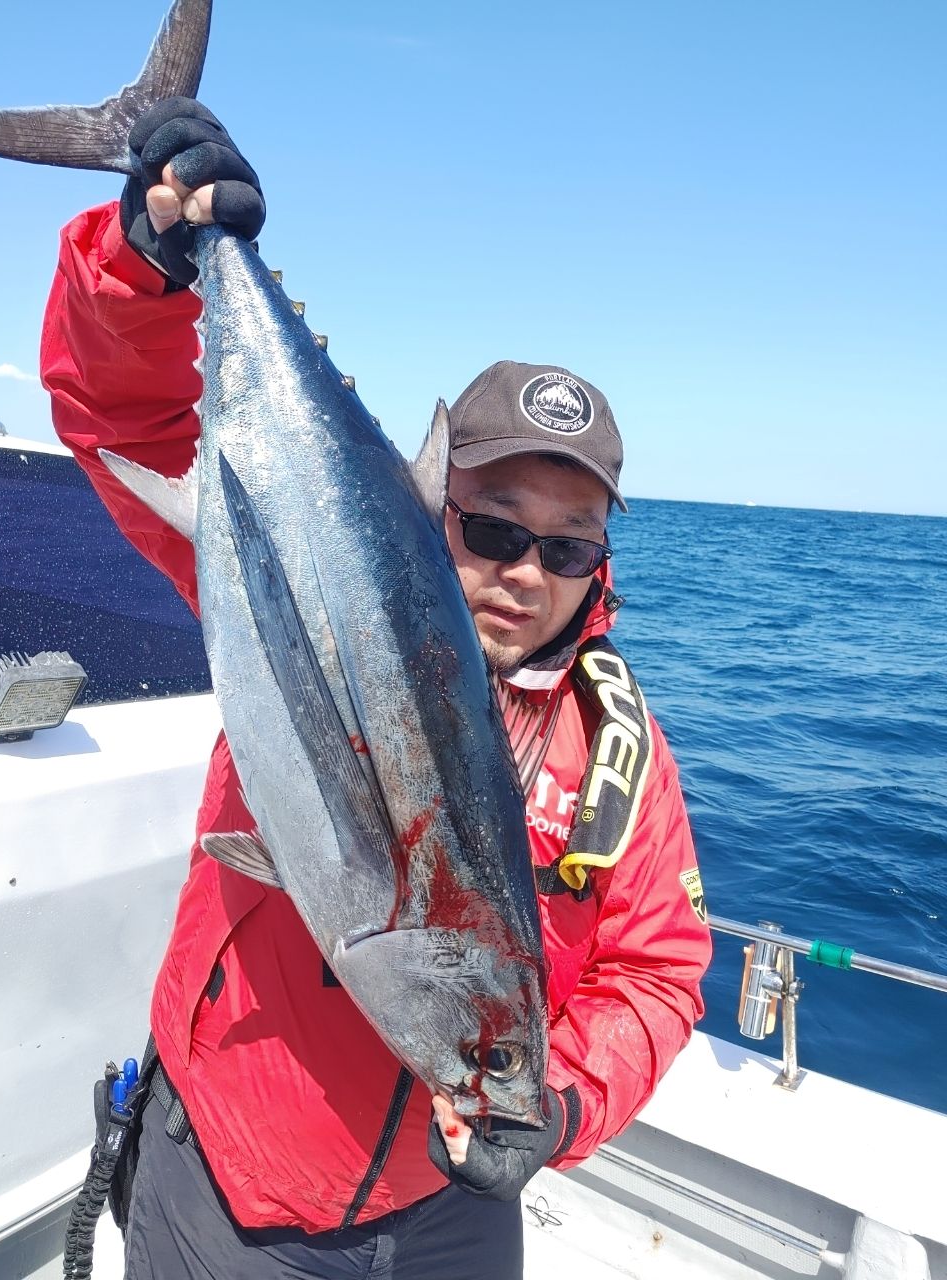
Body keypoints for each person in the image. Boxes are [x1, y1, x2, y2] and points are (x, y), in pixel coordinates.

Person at [42, 99, 711, 1280]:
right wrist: (144, 264)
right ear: (433, 506)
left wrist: (554, 1105)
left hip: (447, 1219)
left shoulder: (617, 751)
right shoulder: (294, 571)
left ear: (601, 563)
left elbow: (655, 971)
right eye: (496, 527)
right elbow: (118, 420)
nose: (524, 573)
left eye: (567, 548)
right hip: (227, 1181)